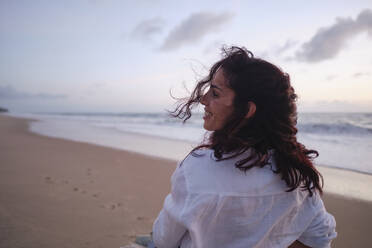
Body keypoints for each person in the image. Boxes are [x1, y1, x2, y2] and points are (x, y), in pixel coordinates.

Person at [152, 46, 337, 248]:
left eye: (215, 93)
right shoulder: (296, 175)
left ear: (247, 110)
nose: (203, 100)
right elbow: (319, 240)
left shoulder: (196, 170)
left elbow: (164, 240)